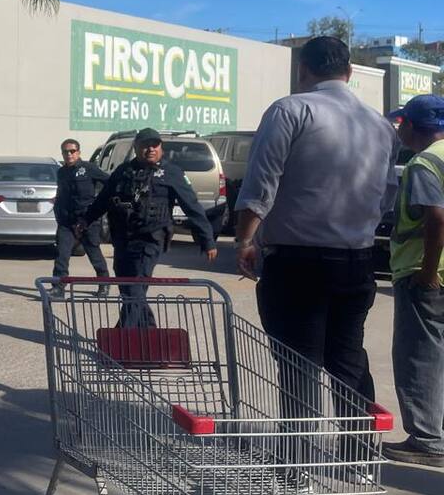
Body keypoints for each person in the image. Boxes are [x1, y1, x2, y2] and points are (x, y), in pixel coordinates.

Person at [234, 36, 398, 404]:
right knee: (348, 359)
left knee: (299, 364)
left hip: (297, 262)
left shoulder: (290, 111)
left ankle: (300, 456)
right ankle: (356, 454)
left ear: (302, 69)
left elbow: (262, 184)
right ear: (350, 72)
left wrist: (245, 240)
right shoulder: (379, 124)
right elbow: (387, 194)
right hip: (356, 260)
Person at [81, 128, 217, 326]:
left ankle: (124, 338)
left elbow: (192, 206)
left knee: (136, 286)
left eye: (155, 145)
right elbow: (103, 200)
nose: (151, 149)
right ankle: (149, 334)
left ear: (161, 147)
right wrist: (85, 221)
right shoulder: (123, 171)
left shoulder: (171, 172)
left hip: (151, 239)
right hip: (123, 240)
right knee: (128, 290)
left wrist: (208, 240)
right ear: (136, 148)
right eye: (145, 145)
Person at [384, 95, 444, 467]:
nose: (398, 128)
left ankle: (426, 440)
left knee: (418, 357)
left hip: (425, 276)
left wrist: (427, 270)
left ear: (411, 125)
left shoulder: (425, 162)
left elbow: (437, 218)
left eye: (401, 122)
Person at [50, 138, 110, 299]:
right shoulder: (61, 172)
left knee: (94, 253)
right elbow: (61, 194)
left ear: (78, 152)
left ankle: (104, 284)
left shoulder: (88, 168)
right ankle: (58, 287)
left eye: (72, 151)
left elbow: (109, 183)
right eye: (65, 151)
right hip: (67, 221)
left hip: (86, 220)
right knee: (62, 254)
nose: (69, 154)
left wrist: (101, 204)